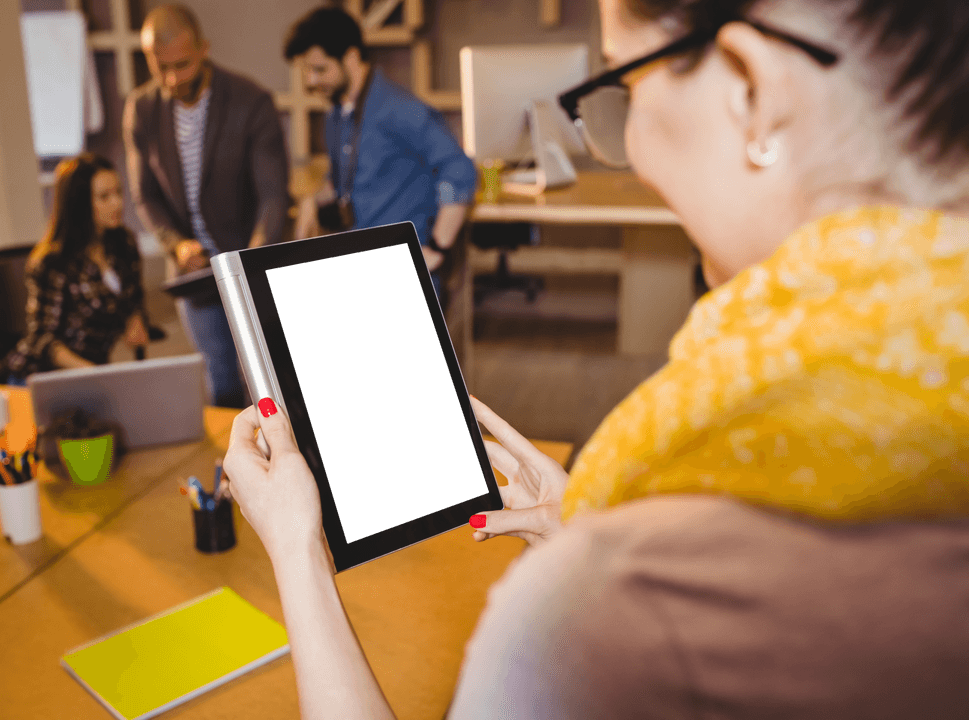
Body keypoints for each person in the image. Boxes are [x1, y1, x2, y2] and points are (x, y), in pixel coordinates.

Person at [224, 0, 969, 717]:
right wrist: (577, 533)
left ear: (753, 92)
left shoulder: (630, 604)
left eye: (626, 83)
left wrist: (296, 547)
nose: (629, 146)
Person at [124, 3, 289, 408]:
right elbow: (146, 194)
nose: (171, 79)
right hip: (193, 273)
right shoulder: (142, 109)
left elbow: (272, 194)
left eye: (182, 65)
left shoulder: (250, 101)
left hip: (247, 263)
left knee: (266, 382)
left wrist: (249, 262)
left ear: (203, 49)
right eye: (160, 67)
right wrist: (177, 244)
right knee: (221, 381)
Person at [283, 6, 477, 295]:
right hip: (361, 263)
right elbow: (343, 182)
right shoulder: (336, 114)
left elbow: (459, 170)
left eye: (320, 69)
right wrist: (312, 200)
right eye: (307, 71)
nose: (311, 81)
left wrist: (438, 247)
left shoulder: (399, 109)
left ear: (350, 57)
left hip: (404, 271)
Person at [5, 153, 148, 379]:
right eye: (104, 197)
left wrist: (134, 318)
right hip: (46, 376)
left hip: (95, 371)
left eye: (118, 192)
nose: (117, 203)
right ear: (79, 203)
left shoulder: (123, 244)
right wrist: (95, 375)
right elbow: (43, 340)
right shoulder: (53, 262)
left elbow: (134, 298)